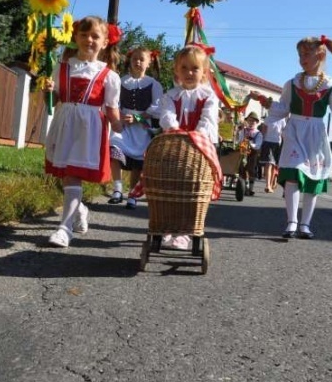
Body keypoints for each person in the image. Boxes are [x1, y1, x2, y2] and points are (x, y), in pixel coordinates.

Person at [253, 35, 332, 239]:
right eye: (300, 55)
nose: (302, 59)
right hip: (295, 131)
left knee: (312, 179)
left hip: (316, 136)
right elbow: (283, 108)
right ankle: (291, 221)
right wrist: (266, 102)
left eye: (306, 54)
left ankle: (305, 224)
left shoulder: (330, 87)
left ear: (321, 54)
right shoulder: (292, 83)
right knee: (292, 174)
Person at [43, 16, 124, 248]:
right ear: (75, 37)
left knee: (73, 173)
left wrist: (118, 126)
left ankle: (64, 228)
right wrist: (47, 91)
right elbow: (54, 98)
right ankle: (79, 209)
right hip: (64, 123)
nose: (89, 40)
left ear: (105, 42)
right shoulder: (61, 67)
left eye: (95, 36)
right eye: (84, 35)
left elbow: (111, 107)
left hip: (90, 128)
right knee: (65, 173)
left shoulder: (109, 75)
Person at [154, 44, 220, 249]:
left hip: (199, 148)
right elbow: (166, 115)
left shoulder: (208, 96)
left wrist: (196, 136)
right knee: (168, 185)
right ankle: (166, 226)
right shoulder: (170, 96)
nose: (189, 73)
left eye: (195, 68)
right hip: (175, 146)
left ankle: (185, 231)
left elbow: (207, 120)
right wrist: (174, 130)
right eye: (184, 68)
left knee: (194, 188)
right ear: (176, 70)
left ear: (203, 72)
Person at [108, 47, 163, 209]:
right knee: (114, 146)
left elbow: (157, 109)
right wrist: (119, 118)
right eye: (134, 59)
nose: (137, 62)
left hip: (142, 127)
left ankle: (132, 194)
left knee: (138, 161)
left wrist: (138, 118)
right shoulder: (121, 81)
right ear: (130, 61)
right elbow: (113, 103)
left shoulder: (153, 84)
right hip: (123, 125)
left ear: (149, 63)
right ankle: (117, 189)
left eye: (141, 59)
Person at [234, 111, 263, 196]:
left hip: (253, 153)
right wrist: (241, 142)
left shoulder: (258, 133)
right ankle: (242, 187)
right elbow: (239, 140)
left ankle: (250, 189)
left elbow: (258, 145)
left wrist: (250, 144)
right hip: (243, 152)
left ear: (257, 122)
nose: (251, 123)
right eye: (249, 121)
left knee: (251, 170)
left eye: (253, 121)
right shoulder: (243, 131)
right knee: (242, 169)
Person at [259, 113, 286, 192]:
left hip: (277, 144)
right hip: (268, 142)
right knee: (269, 164)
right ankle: (267, 185)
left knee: (274, 165)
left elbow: (283, 133)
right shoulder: (268, 118)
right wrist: (261, 143)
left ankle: (270, 184)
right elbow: (263, 131)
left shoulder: (282, 119)